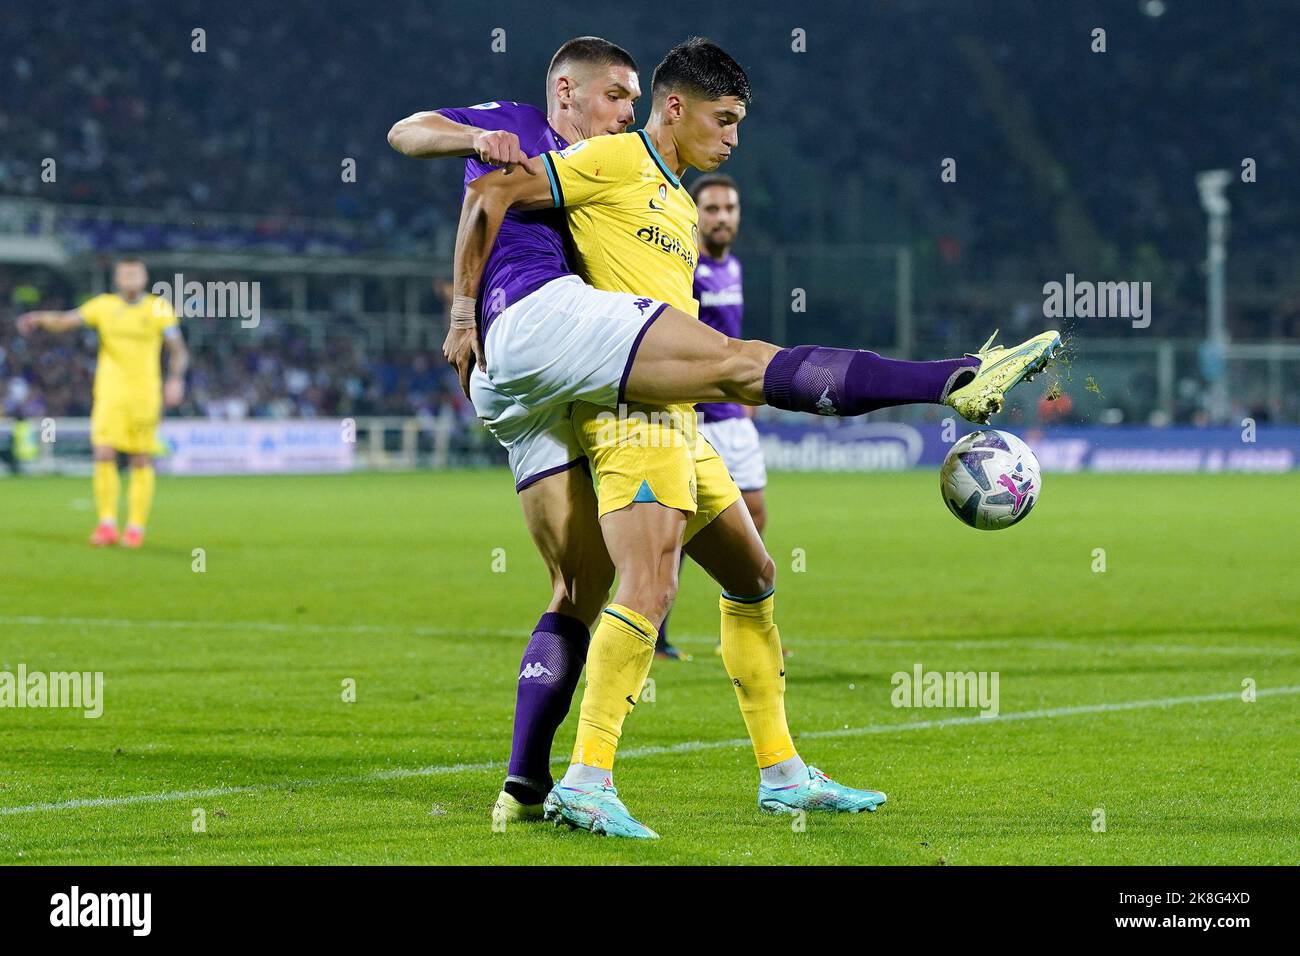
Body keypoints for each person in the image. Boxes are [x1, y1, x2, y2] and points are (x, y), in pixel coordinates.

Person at [456, 38, 1048, 837]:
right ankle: (588, 779)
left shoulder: (675, 202)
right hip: (629, 409)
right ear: (675, 107)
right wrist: (468, 309)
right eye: (723, 120)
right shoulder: (618, 159)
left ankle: (782, 773)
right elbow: (499, 188)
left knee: (753, 574)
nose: (732, 139)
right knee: (651, 578)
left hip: (678, 413)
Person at [388, 36, 640, 824]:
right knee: (719, 378)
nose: (626, 115)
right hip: (535, 334)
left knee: (579, 586)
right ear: (566, 92)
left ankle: (522, 785)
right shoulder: (516, 125)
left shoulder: (612, 164)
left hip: (528, 376)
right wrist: (473, 138)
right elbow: (404, 132)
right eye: (616, 98)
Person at [16, 259, 187, 548]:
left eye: (136, 272)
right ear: (117, 278)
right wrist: (39, 317)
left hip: (145, 392)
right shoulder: (103, 305)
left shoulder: (159, 308)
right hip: (110, 391)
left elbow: (178, 349)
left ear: (144, 277)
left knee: (140, 457)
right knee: (104, 452)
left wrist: (176, 379)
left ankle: (135, 527)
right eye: (125, 272)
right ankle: (107, 524)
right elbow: (66, 320)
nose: (131, 277)